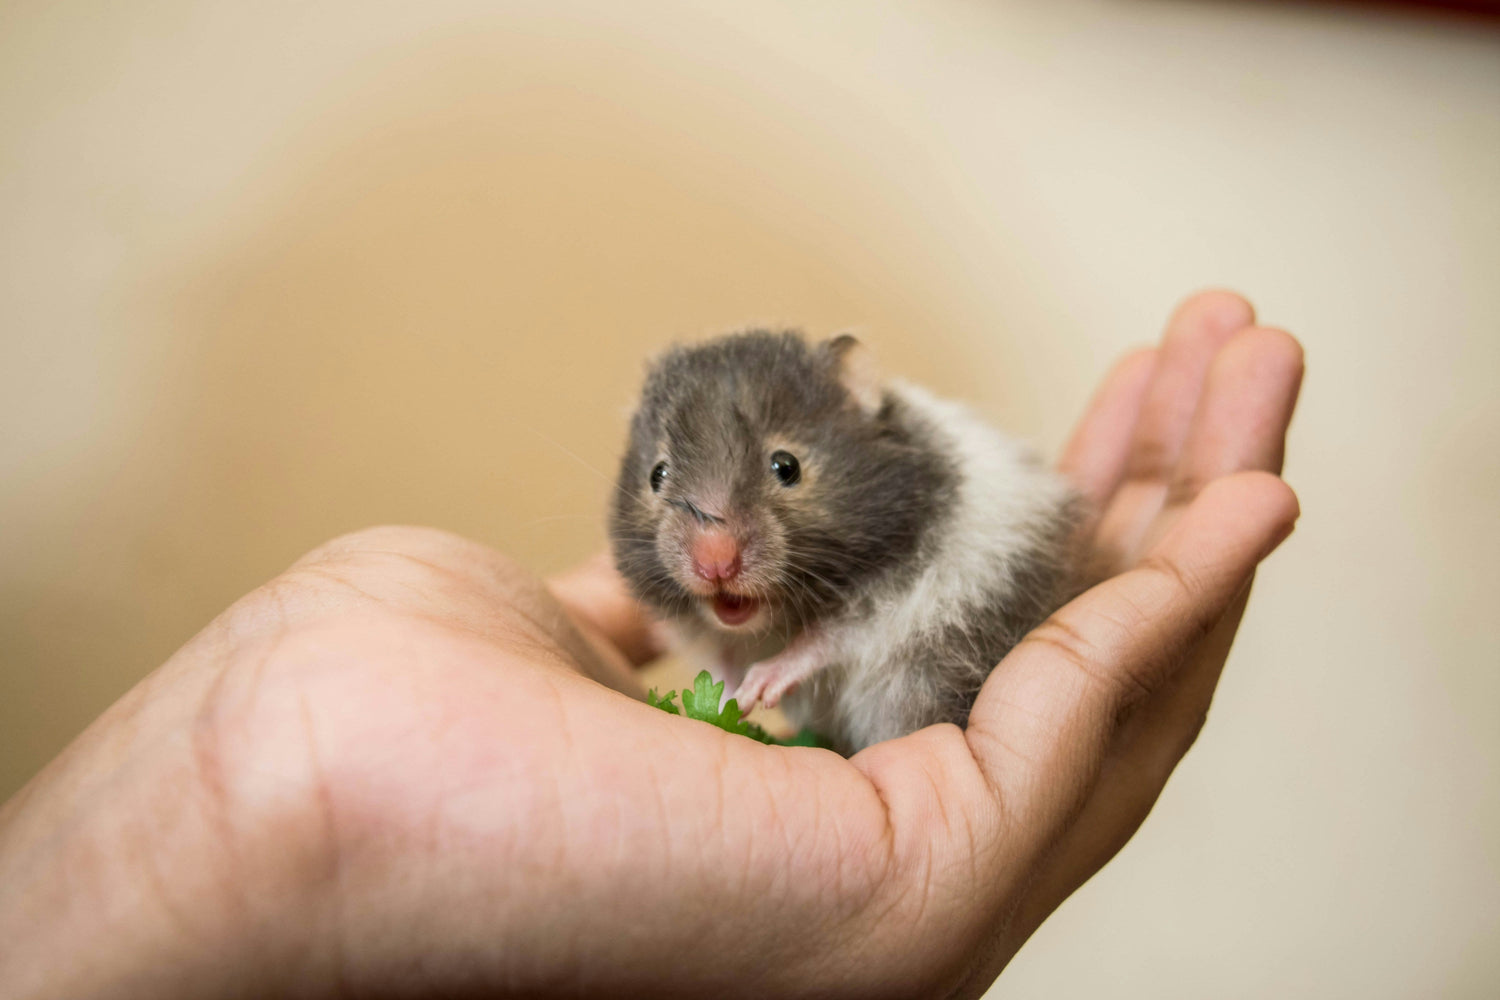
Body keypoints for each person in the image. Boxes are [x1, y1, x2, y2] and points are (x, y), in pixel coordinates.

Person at [0, 291, 1302, 998]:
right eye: (674, 484)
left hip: (937, 624)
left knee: (904, 670)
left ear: (854, 418)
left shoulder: (926, 490)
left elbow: (892, 582)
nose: (713, 548)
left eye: (782, 475)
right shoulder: (681, 547)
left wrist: (827, 649)